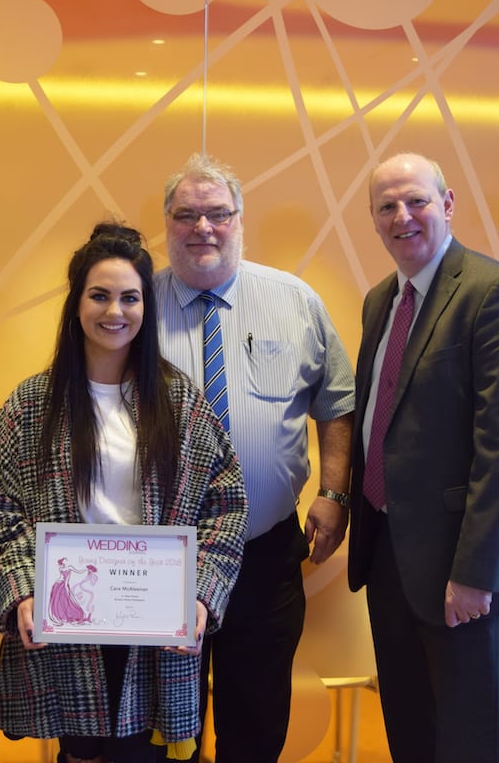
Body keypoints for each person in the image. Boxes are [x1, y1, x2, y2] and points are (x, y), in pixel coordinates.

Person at [0, 222, 248, 763]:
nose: (115, 311)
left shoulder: (179, 403)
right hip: (68, 612)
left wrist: (201, 594)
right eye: (99, 296)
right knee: (78, 750)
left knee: (142, 753)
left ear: (145, 309)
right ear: (76, 305)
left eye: (130, 298)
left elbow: (227, 505)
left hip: (153, 615)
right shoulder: (32, 404)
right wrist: (22, 592)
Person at [348, 153, 499, 762]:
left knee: (467, 738)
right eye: (387, 207)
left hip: (465, 563)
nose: (402, 216)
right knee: (410, 726)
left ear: (448, 204)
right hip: (391, 549)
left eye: (416, 201)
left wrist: (475, 572)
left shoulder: (498, 293)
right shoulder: (380, 299)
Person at [154, 153, 356, 761]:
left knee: (257, 719)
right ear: (166, 223)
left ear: (241, 219)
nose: (203, 227)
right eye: (186, 214)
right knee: (163, 727)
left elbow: (338, 401)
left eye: (218, 213)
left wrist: (335, 491)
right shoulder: (135, 304)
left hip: (262, 551)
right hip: (159, 555)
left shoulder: (295, 301)